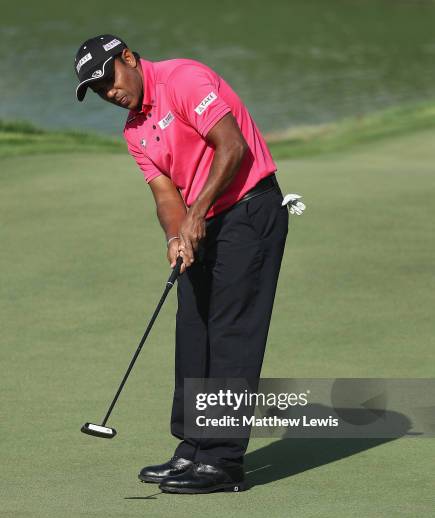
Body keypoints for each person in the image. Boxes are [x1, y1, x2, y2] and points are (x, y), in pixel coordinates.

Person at [74, 34, 304, 494]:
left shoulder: (183, 79)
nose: (109, 93)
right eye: (98, 91)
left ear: (129, 58)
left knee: (231, 332)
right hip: (204, 220)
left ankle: (222, 461)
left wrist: (196, 215)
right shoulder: (134, 130)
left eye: (108, 80)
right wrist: (176, 236)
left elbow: (232, 147)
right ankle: (194, 447)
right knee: (194, 329)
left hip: (249, 210)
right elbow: (164, 194)